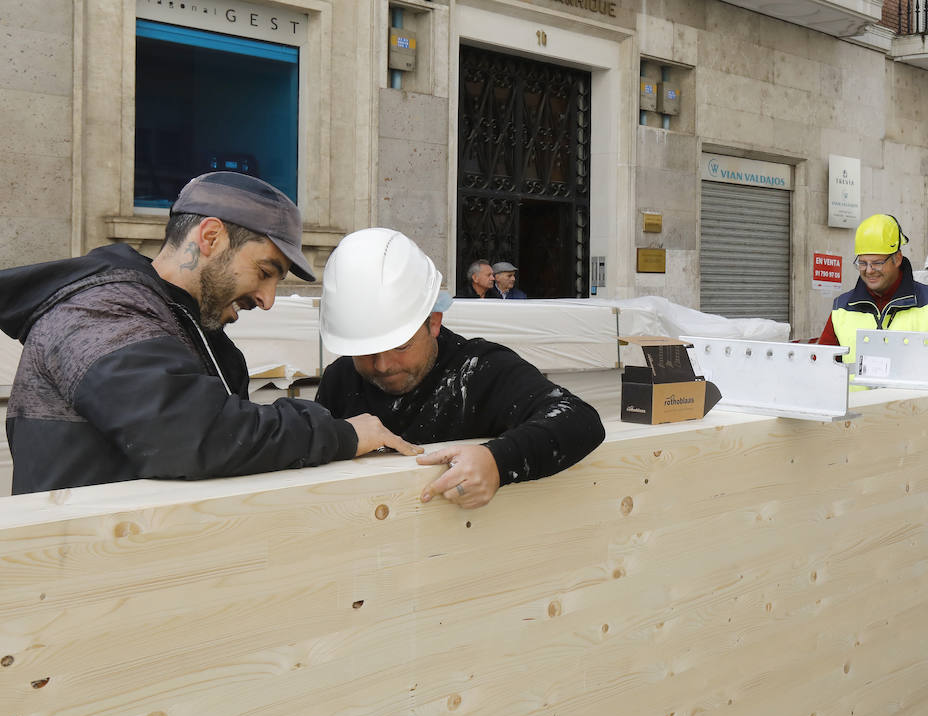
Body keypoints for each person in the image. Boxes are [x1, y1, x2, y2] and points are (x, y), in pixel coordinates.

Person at [0, 172, 418, 494]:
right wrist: (339, 434)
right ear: (211, 237)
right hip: (75, 583)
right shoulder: (98, 308)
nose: (269, 299)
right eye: (266, 271)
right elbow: (184, 435)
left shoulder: (197, 332)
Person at [315, 228, 606, 509]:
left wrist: (497, 462)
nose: (382, 366)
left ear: (434, 322)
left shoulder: (481, 370)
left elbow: (578, 419)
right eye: (364, 352)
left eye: (401, 346)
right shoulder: (340, 379)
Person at [818, 214, 928, 361]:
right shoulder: (841, 308)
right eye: (862, 263)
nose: (869, 270)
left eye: (877, 262)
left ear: (897, 258)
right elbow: (823, 368)